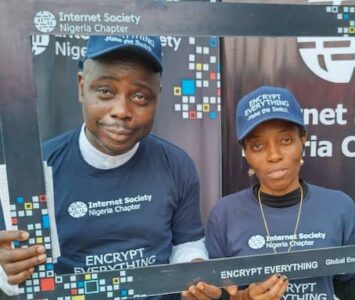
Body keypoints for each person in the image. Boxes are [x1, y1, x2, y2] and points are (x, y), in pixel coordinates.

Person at [0, 35, 218, 299]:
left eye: (140, 96)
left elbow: (187, 243)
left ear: (157, 98)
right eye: (105, 91)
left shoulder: (177, 165)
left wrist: (195, 274)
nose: (121, 110)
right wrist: (7, 270)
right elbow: (16, 266)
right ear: (82, 87)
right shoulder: (35, 170)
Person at [205, 86, 355, 299]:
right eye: (258, 146)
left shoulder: (338, 206)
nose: (274, 155)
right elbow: (218, 294)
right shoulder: (225, 213)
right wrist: (245, 298)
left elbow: (348, 286)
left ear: (303, 140)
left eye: (286, 140)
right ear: (245, 152)